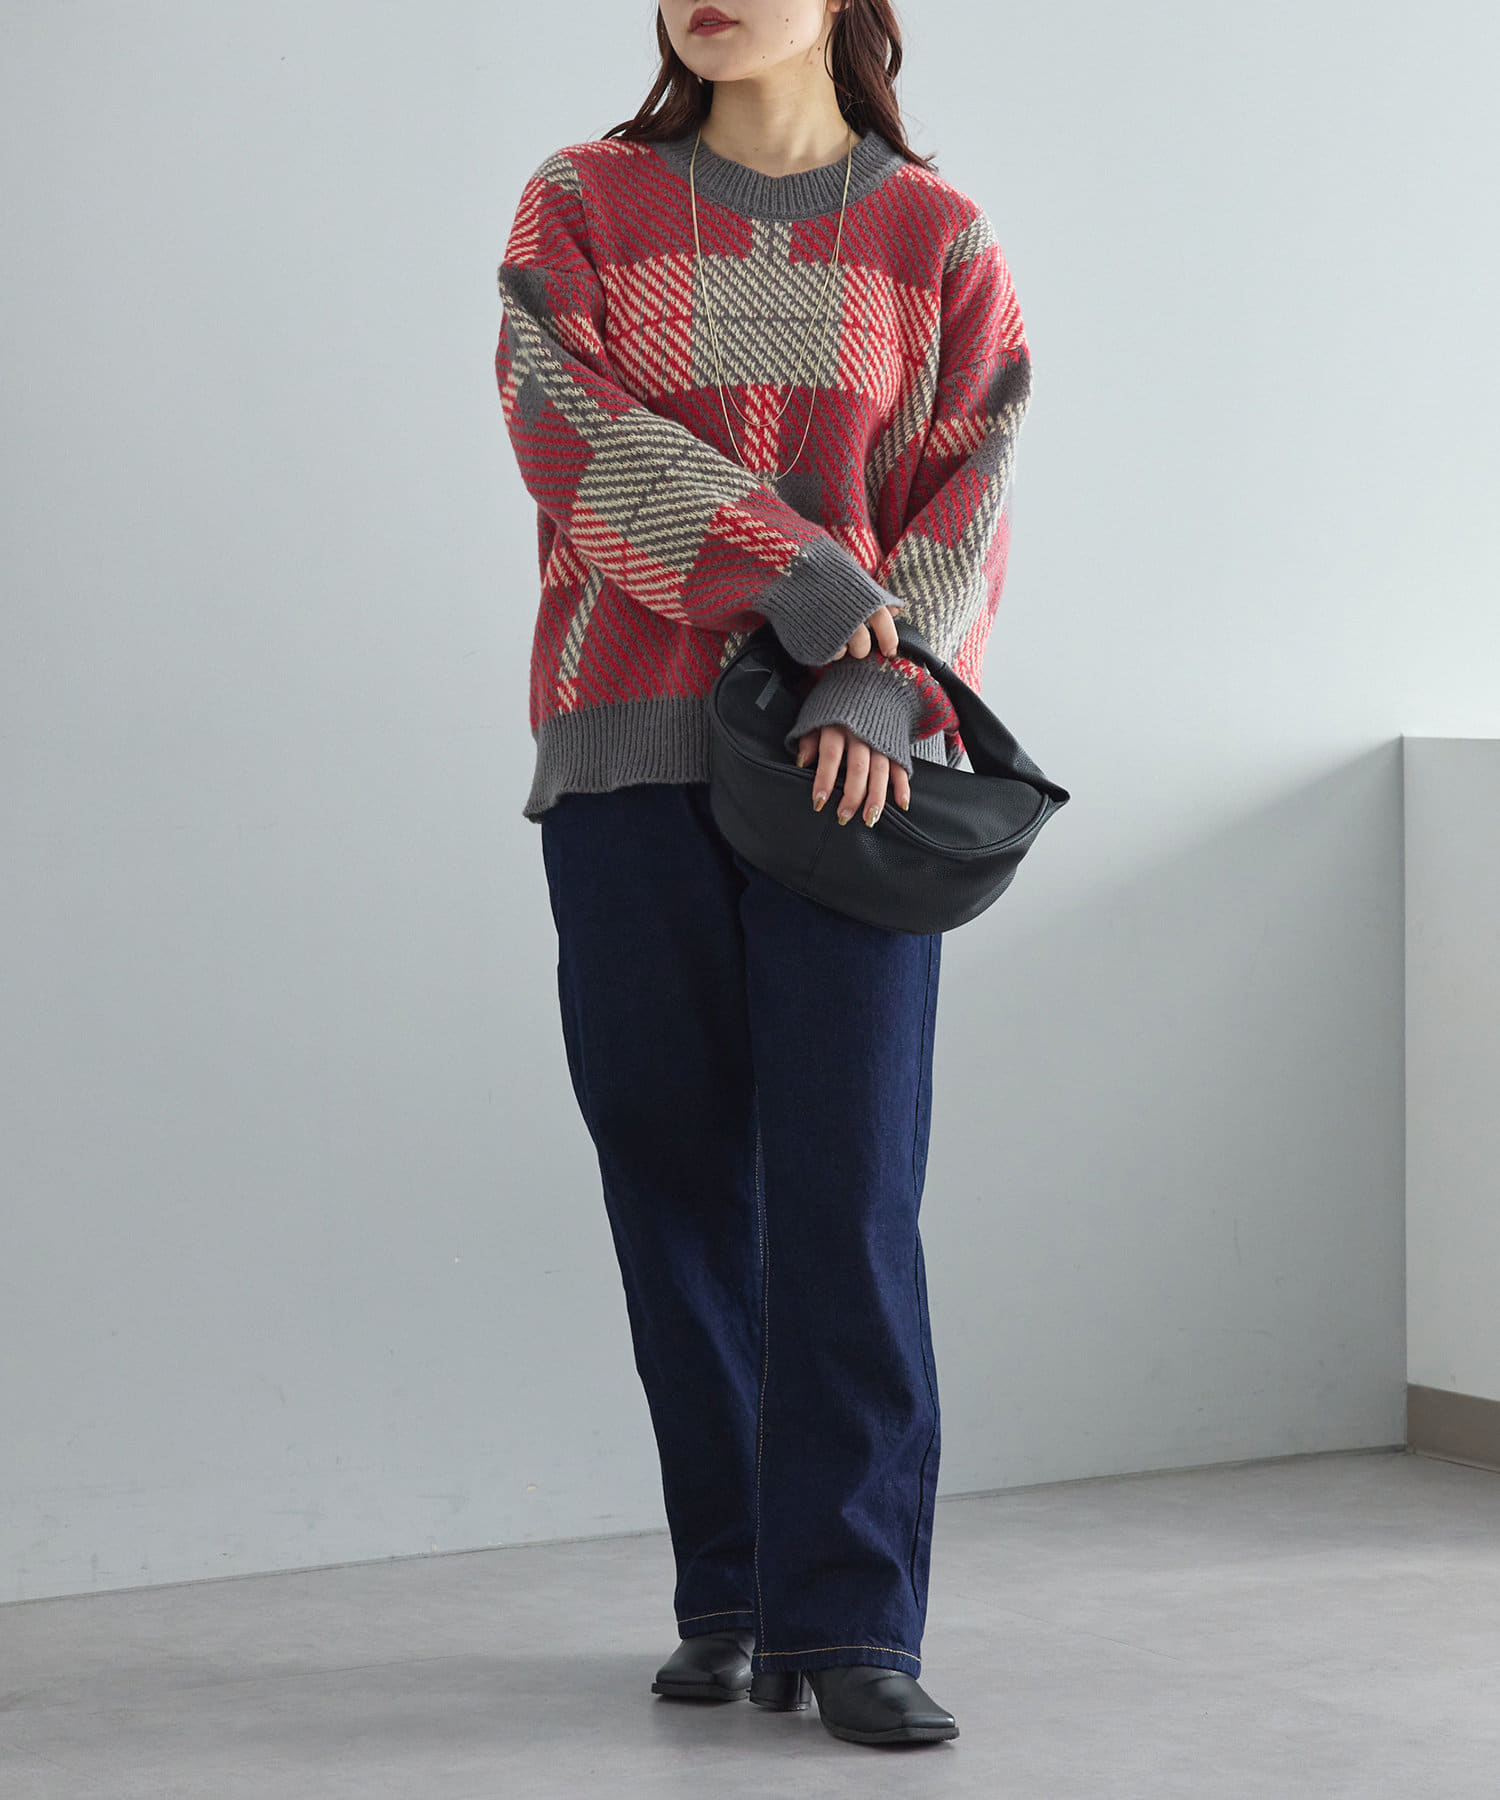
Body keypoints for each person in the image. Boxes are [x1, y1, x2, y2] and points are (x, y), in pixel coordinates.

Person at [493, 0, 1031, 1750]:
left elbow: (970, 489)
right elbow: (567, 434)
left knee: (849, 1186)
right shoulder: (583, 200)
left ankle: (855, 1615)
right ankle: (733, 1591)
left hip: (848, 767)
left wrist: (881, 679)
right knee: (673, 1177)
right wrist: (798, 576)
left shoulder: (936, 236)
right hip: (627, 754)